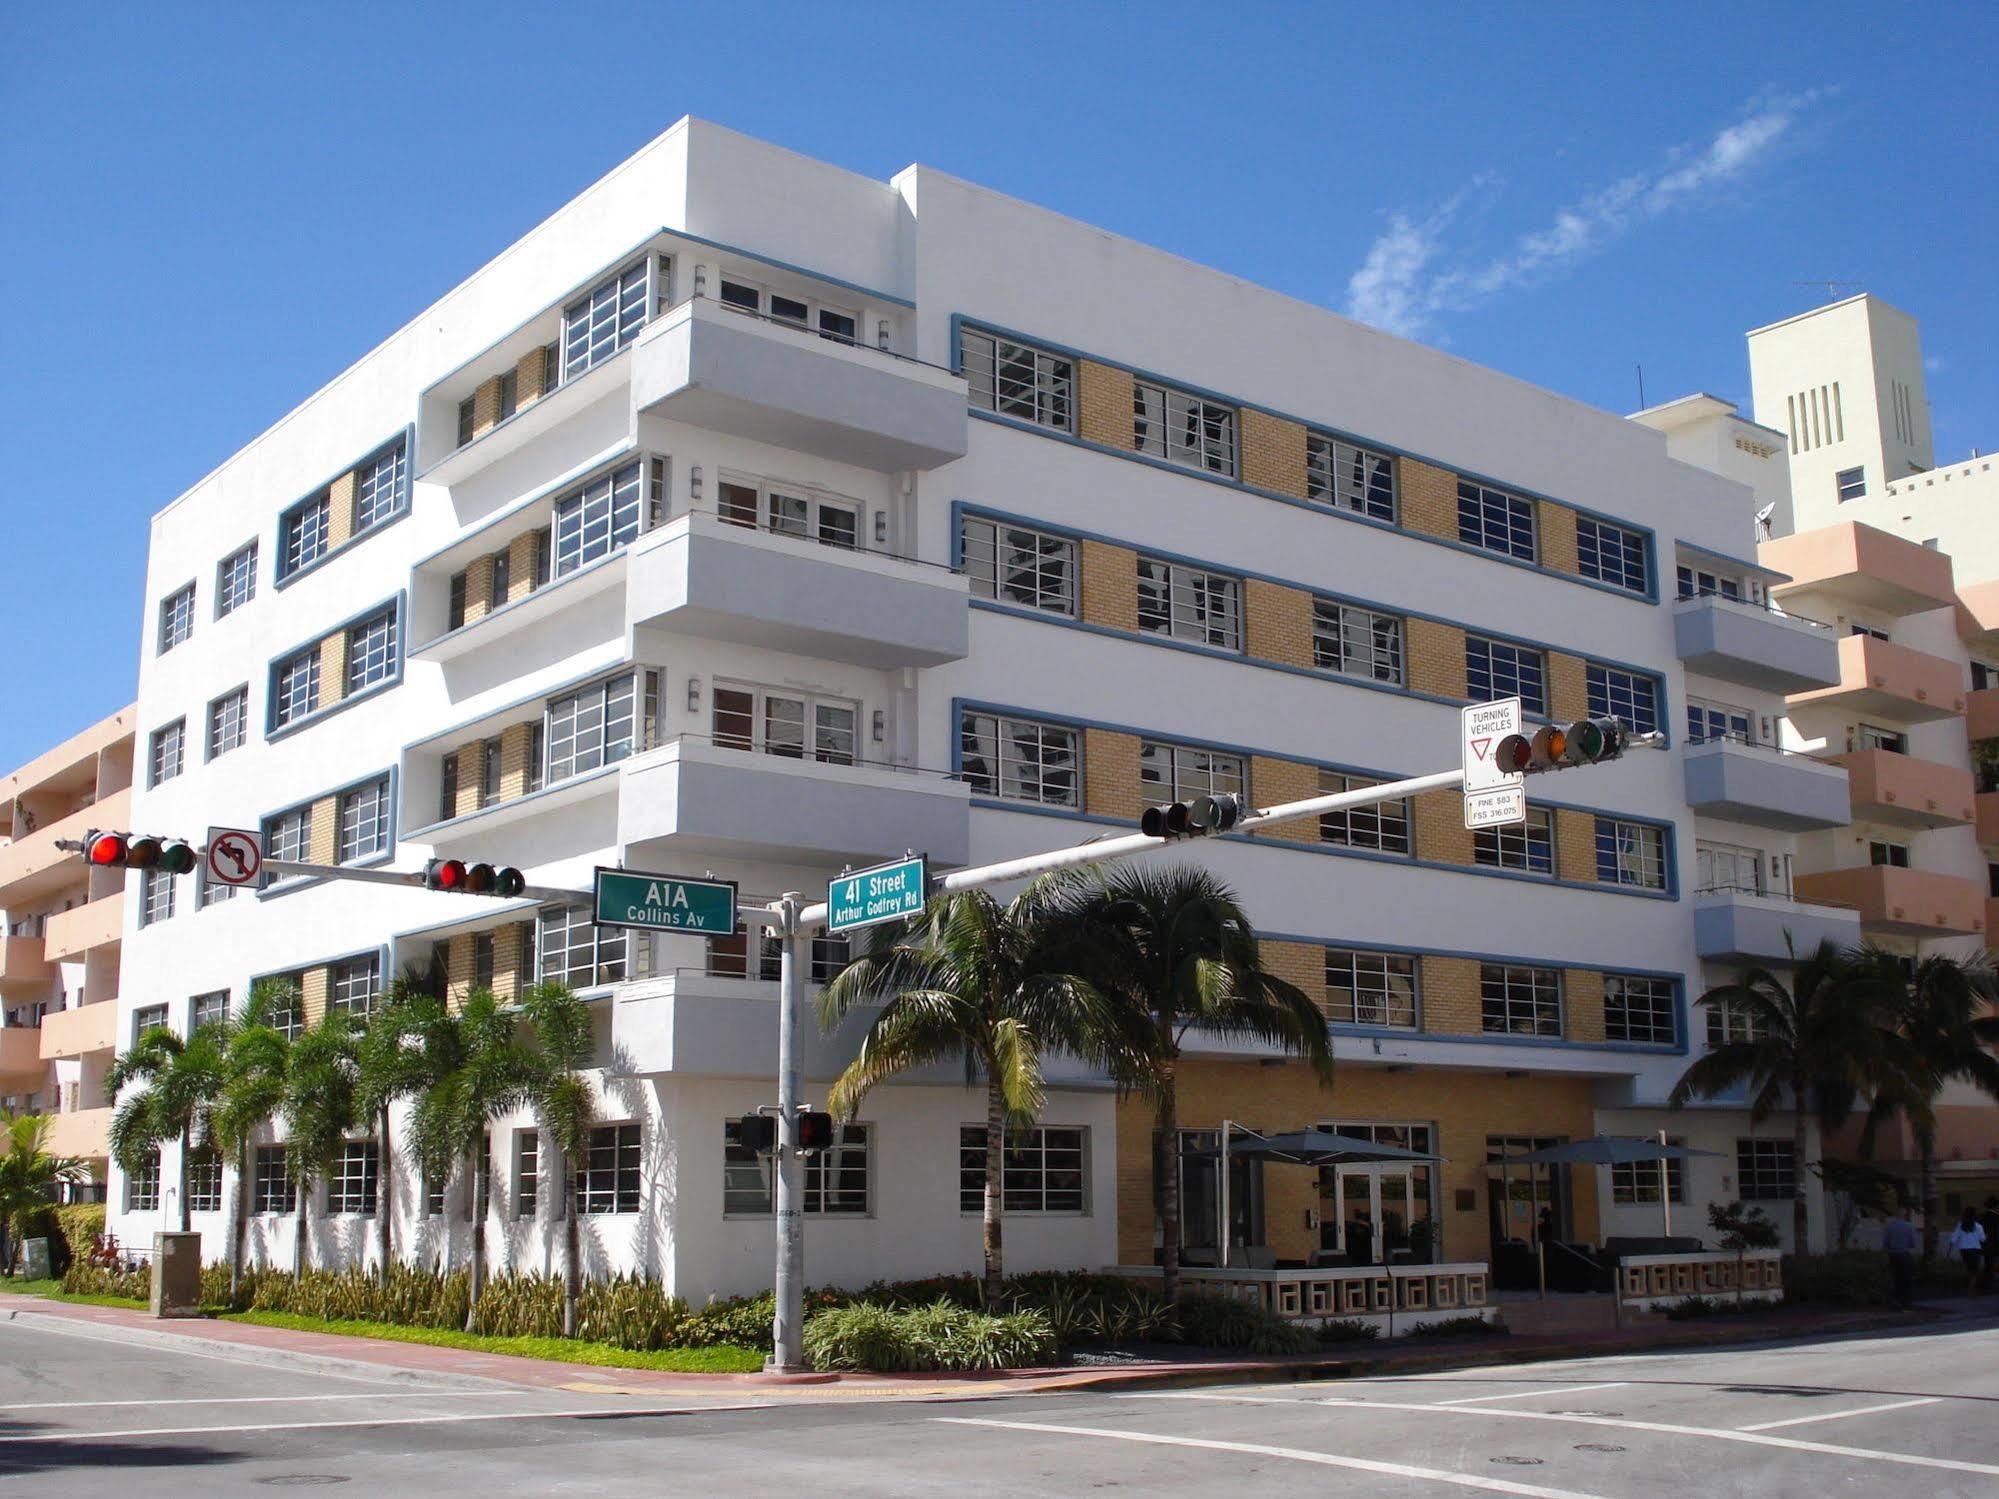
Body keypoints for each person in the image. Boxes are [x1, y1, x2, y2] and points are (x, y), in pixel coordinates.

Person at [1881, 1205, 1918, 1309]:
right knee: (1907, 1279)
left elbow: (1885, 1243)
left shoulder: (1890, 1226)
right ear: (1905, 1214)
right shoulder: (1909, 1226)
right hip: (1904, 1254)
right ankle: (1906, 1302)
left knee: (1895, 1278)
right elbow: (1912, 1243)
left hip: (1893, 1254)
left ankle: (1895, 1300)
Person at [1946, 1206, 1987, 1291]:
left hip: (1964, 1250)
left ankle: (1970, 1287)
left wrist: (1948, 1252)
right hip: (1975, 1250)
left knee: (1969, 1270)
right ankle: (1971, 1289)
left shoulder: (1960, 1225)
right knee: (1975, 1272)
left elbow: (1953, 1238)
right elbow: (1982, 1239)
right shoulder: (1978, 1226)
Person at [1978, 1198, 1999, 1293]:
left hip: (1985, 1244)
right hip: (1995, 1244)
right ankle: (1988, 1284)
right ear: (1995, 1206)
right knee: (1993, 1265)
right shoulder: (1997, 1217)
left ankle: (1985, 1285)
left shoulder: (1981, 1217)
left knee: (1988, 1265)